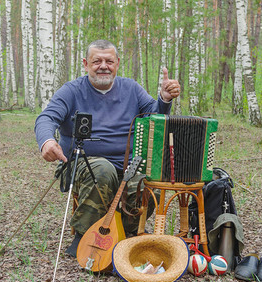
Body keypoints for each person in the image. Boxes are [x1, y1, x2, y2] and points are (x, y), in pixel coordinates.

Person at [34, 39, 180, 257]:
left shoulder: (131, 88)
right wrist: (47, 141)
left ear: (117, 63)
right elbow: (46, 118)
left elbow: (154, 116)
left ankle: (128, 229)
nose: (103, 66)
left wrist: (164, 99)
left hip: (129, 165)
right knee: (102, 170)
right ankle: (84, 235)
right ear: (85, 63)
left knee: (151, 181)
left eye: (109, 61)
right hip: (82, 164)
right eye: (97, 61)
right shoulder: (71, 91)